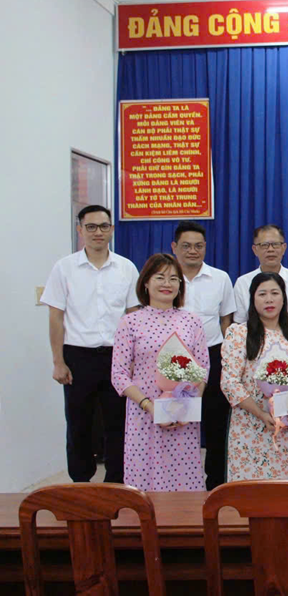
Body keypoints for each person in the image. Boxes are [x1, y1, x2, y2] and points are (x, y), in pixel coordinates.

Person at [40, 205, 139, 484]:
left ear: (112, 229)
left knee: (118, 423)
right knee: (78, 423)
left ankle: (116, 483)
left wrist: (134, 359)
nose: (98, 232)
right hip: (77, 357)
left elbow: (133, 316)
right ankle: (81, 483)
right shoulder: (64, 268)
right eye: (91, 227)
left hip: (117, 357)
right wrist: (58, 361)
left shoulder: (126, 268)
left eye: (104, 226)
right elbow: (56, 318)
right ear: (80, 230)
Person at [111, 253, 208, 491]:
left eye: (174, 279)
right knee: (145, 480)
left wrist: (185, 407)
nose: (167, 284)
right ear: (146, 282)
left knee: (183, 479)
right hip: (144, 413)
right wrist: (149, 406)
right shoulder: (130, 322)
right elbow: (119, 375)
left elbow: (203, 369)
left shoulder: (192, 321)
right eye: (160, 277)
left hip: (183, 415)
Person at [221, 273, 288, 481]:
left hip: (285, 429)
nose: (269, 299)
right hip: (249, 426)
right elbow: (230, 383)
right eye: (262, 294)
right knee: (249, 491)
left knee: (283, 490)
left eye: (275, 293)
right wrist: (261, 414)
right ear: (252, 299)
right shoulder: (239, 333)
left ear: (284, 298)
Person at [170, 221, 236, 490]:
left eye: (198, 246)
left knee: (216, 422)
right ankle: (178, 480)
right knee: (177, 419)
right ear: (174, 247)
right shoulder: (166, 279)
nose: (193, 251)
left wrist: (228, 359)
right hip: (174, 359)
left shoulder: (220, 278)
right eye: (186, 246)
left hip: (212, 354)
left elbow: (226, 321)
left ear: (206, 247)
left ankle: (216, 483)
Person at [232, 224, 288, 325]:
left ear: (284, 248)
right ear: (255, 250)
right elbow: (239, 322)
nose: (270, 249)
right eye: (264, 245)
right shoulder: (243, 283)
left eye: (275, 244)